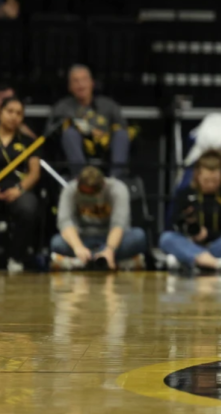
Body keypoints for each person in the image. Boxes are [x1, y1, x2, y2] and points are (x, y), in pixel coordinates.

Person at [159, 151, 221, 274]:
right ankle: (215, 264)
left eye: (215, 180)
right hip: (189, 242)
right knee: (166, 238)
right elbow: (173, 224)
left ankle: (187, 259)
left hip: (216, 244)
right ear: (197, 176)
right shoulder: (185, 194)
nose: (210, 184)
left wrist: (208, 234)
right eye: (206, 180)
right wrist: (187, 224)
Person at [50, 165, 148, 270]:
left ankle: (83, 263)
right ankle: (108, 262)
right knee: (56, 242)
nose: (87, 197)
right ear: (78, 183)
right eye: (84, 193)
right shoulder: (70, 190)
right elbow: (65, 222)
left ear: (102, 185)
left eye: (92, 193)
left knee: (139, 236)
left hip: (111, 239)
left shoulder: (118, 188)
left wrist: (109, 250)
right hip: (82, 238)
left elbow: (119, 224)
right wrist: (78, 247)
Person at [48, 65, 131, 179]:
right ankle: (82, 179)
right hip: (76, 152)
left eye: (84, 80)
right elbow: (49, 134)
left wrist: (105, 136)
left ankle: (116, 179)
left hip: (105, 150)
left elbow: (123, 128)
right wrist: (84, 130)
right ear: (69, 86)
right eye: (75, 81)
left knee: (122, 134)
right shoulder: (62, 107)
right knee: (69, 134)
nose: (80, 85)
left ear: (92, 83)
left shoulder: (108, 105)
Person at [0, 97, 41, 271]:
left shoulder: (28, 142)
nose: (14, 116)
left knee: (29, 206)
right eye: (10, 111)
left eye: (19, 113)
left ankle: (16, 257)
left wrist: (20, 189)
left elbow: (34, 172)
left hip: (16, 189)